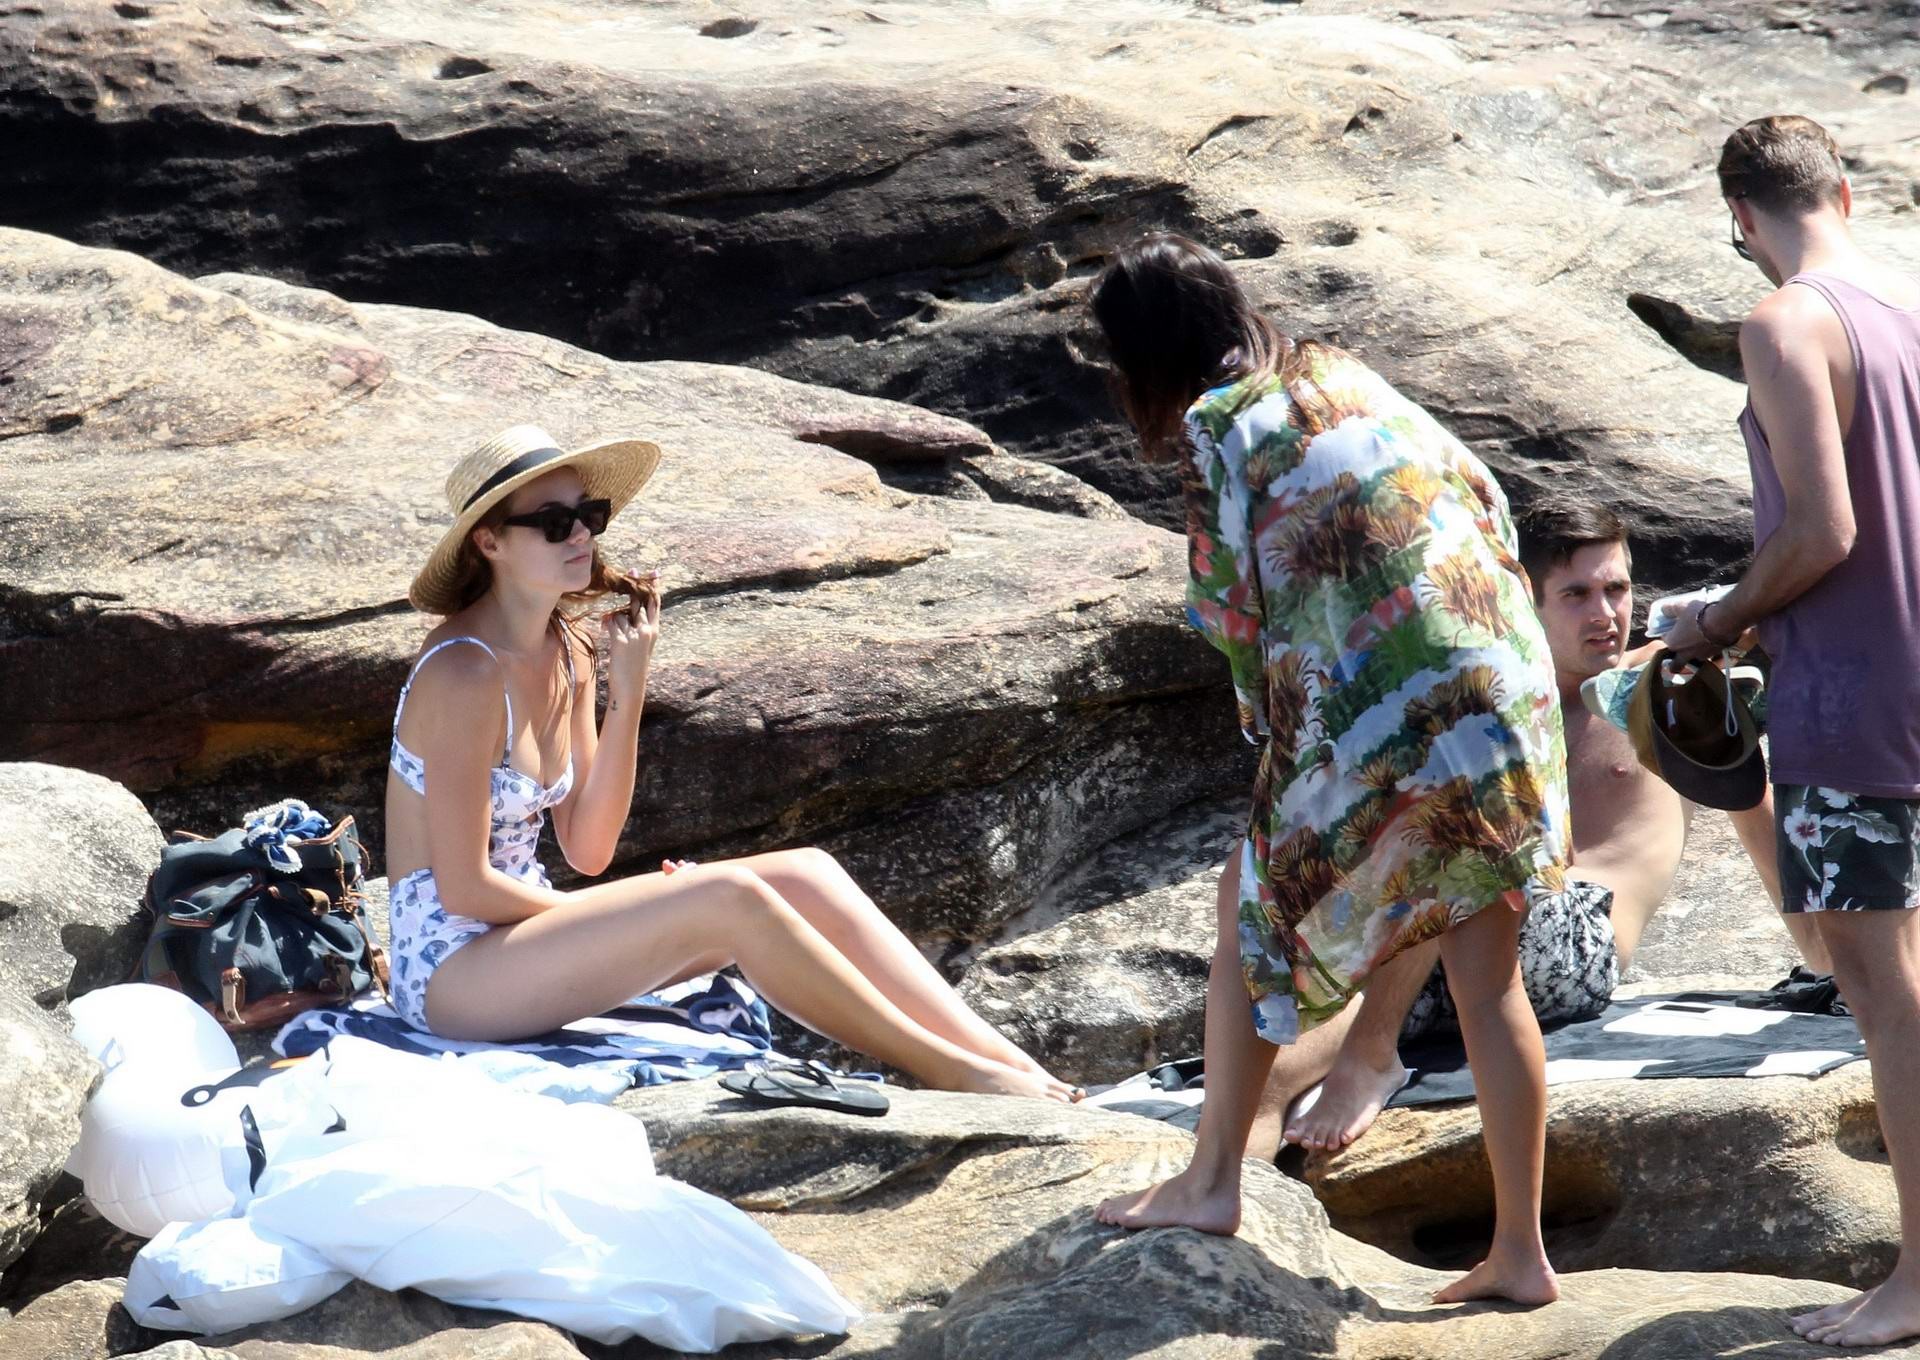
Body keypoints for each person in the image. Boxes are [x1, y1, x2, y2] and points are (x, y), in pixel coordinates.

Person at [1086, 234, 1571, 1307]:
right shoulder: (1337, 369)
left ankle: (1211, 1180)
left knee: (1247, 910)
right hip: (1500, 672)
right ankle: (1524, 1254)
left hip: (1391, 695)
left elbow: (1228, 606)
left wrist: (1277, 733)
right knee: (1488, 979)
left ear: (1144, 358)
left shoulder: (1219, 424)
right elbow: (1483, 492)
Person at [384, 424, 1076, 1102]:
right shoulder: (464, 674)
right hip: (452, 974)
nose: (582, 536)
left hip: (525, 943)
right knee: (728, 899)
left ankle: (1015, 1066)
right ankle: (956, 1074)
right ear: (489, 541)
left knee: (806, 873)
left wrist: (627, 692)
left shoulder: (565, 649)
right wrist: (634, 910)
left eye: (590, 516)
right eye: (554, 522)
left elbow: (588, 847)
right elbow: (466, 891)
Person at [1266, 498, 1832, 1157]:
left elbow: (1753, 810)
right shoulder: (1493, 698)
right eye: (1577, 595)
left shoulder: (1665, 689)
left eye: (1616, 589)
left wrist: (1833, 961)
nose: (1605, 614)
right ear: (1526, 601)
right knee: (1280, 1052)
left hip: (1571, 944)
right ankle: (1248, 1147)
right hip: (1450, 945)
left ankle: (1369, 1055)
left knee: (1456, 833)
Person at [1659, 114, 1920, 1349]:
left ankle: (1919, 1281)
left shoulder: (1785, 320)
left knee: (1881, 987)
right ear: (1848, 193)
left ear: (1745, 221)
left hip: (1855, 708)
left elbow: (1821, 534)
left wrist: (1713, 617)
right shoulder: (1910, 312)